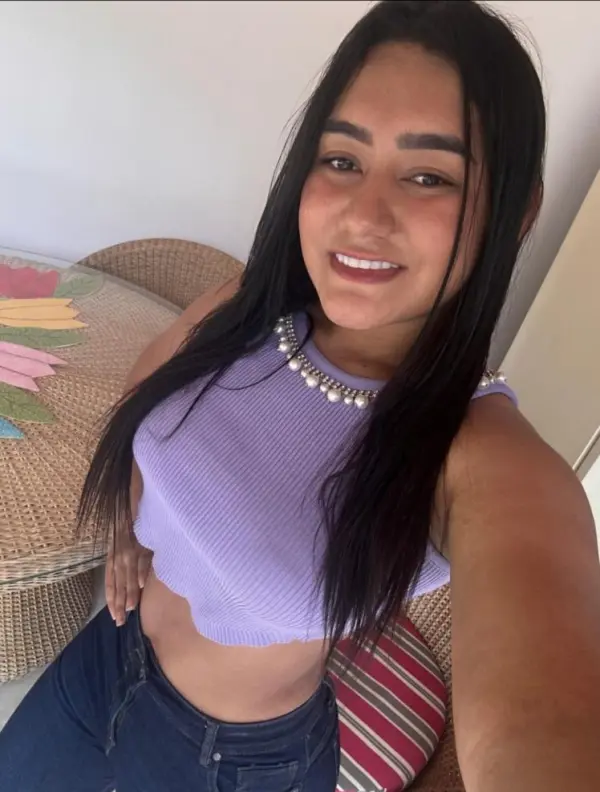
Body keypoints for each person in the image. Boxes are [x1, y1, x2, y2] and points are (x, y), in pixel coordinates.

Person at [2, 1, 600, 790]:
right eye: (341, 160)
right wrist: (133, 527)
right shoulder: (254, 307)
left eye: (429, 176)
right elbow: (150, 384)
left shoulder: (483, 457)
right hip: (105, 657)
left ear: (517, 212)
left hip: (229, 762)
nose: (363, 215)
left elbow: (544, 728)